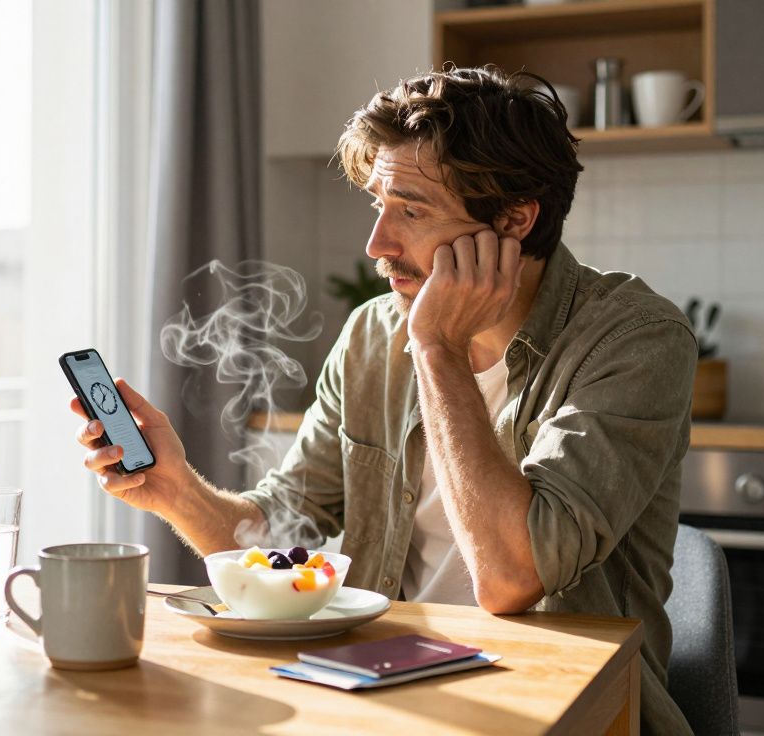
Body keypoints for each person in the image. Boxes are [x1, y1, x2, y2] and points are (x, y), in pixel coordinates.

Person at [71, 66, 695, 734]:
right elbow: (283, 530)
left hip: (573, 711)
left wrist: (436, 351)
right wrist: (173, 490)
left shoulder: (635, 340)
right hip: (382, 697)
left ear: (514, 220)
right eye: (379, 204)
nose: (377, 246)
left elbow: (514, 577)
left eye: (413, 211)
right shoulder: (374, 333)